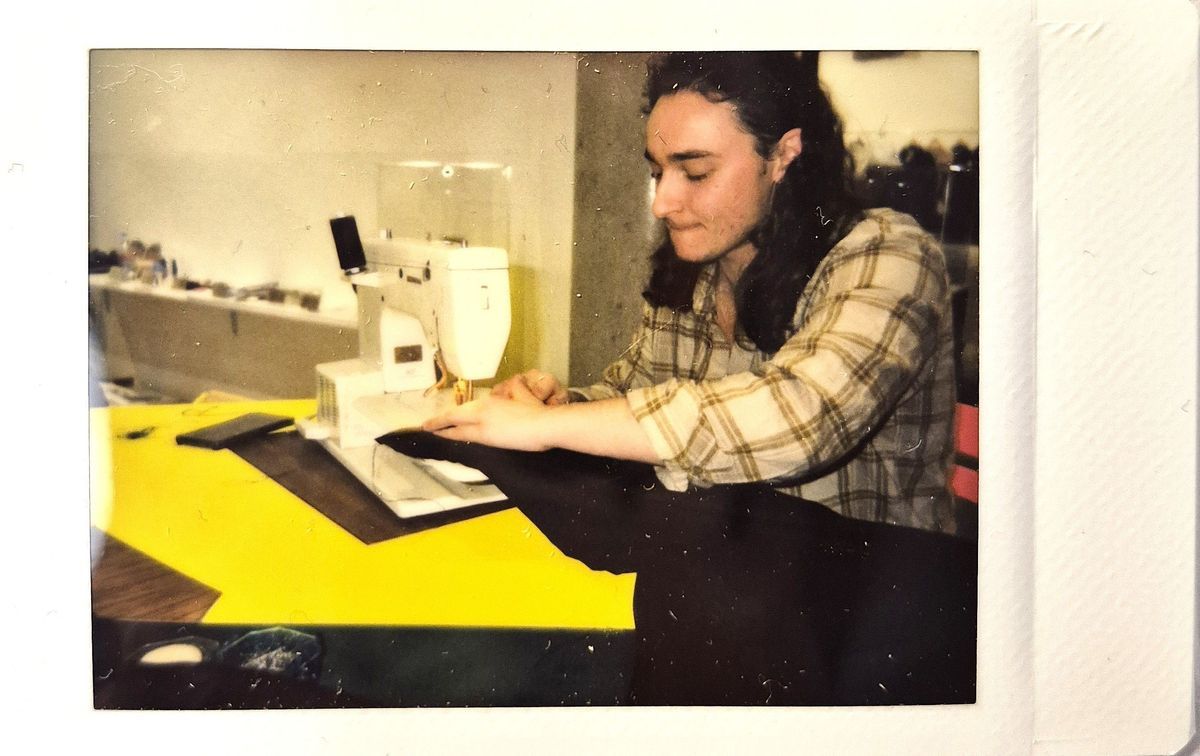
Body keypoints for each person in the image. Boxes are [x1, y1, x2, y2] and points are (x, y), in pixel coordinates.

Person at [425, 51, 959, 535]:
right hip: (736, 575)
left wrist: (548, 427)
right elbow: (633, 391)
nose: (663, 202)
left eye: (696, 172)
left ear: (782, 156)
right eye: (659, 172)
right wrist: (566, 403)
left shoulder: (891, 256)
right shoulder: (700, 262)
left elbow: (801, 418)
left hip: (870, 598)